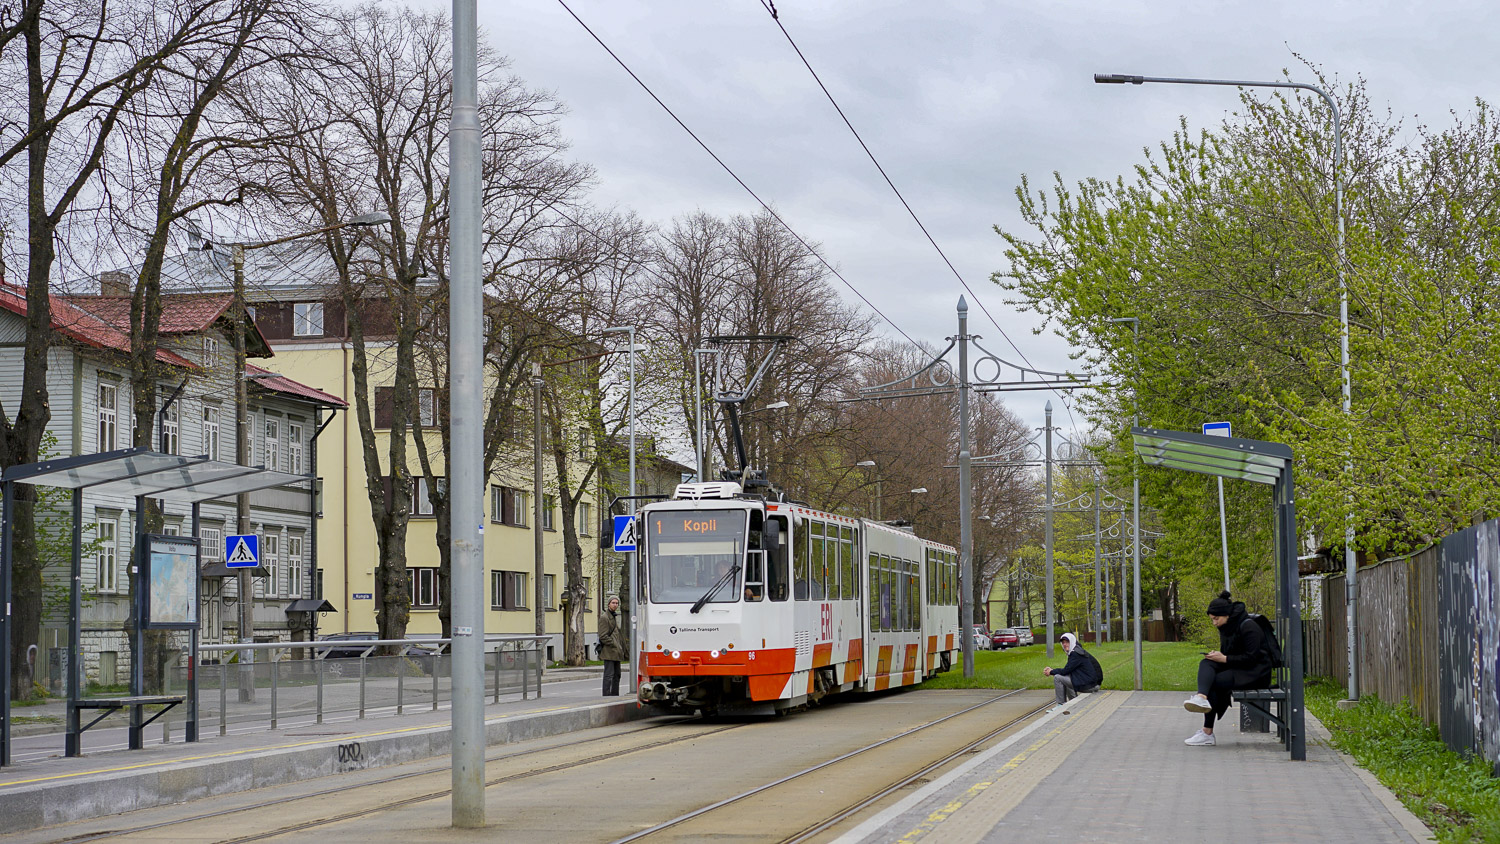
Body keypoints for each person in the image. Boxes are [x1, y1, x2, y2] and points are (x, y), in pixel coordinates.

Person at [1182, 590, 1273, 746]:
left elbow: (1252, 658)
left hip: (1255, 674)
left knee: (1215, 682)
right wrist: (1218, 656)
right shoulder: (1227, 627)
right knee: (1206, 663)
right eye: (1212, 620)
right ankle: (1201, 698)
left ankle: (1207, 733)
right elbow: (1232, 653)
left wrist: (1224, 658)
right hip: (1240, 668)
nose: (1214, 623)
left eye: (1216, 619)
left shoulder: (1248, 626)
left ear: (1227, 615)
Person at [1042, 632, 1103, 708]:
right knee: (1066, 678)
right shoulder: (1078, 651)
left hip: (1091, 686)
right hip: (1093, 684)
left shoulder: (1075, 654)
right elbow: (1068, 671)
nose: (1064, 644)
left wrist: (1051, 671)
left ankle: (1060, 705)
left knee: (1058, 677)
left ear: (1072, 641)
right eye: (1063, 642)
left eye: (1067, 642)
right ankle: (1073, 703)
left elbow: (1065, 671)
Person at [598, 595, 626, 696]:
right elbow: (602, 635)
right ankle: (606, 695)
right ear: (608, 604)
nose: (615, 605)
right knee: (609, 675)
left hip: (616, 651)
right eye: (613, 603)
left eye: (616, 603)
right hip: (609, 651)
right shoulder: (605, 618)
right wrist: (613, 644)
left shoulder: (614, 616)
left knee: (617, 675)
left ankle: (615, 694)